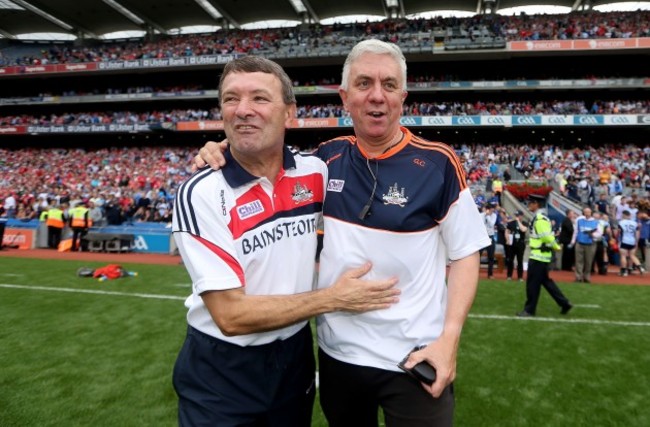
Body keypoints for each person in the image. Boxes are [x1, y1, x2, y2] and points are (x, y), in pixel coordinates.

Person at [196, 40, 491, 427]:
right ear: (344, 96)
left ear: (403, 97)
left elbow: (466, 253)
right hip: (339, 358)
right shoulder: (323, 162)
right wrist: (220, 148)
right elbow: (263, 155)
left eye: (388, 85)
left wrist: (449, 339)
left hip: (415, 357)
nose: (376, 96)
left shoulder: (438, 164)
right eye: (364, 83)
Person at [172, 56, 400, 427]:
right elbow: (230, 316)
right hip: (221, 368)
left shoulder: (317, 171)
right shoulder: (201, 192)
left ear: (290, 113)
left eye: (259, 98)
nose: (243, 110)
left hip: (294, 357)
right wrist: (332, 299)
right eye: (231, 99)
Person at [517, 194, 573, 317]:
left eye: (531, 202)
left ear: (536, 204)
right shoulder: (541, 218)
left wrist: (556, 247)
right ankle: (564, 303)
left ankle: (529, 310)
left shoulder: (539, 219)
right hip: (540, 256)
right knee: (546, 282)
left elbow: (547, 236)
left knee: (532, 284)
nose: (529, 205)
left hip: (538, 257)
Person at [570, 206, 601, 283]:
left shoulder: (596, 222)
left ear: (591, 213)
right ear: (583, 213)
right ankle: (578, 277)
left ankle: (587, 277)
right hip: (580, 242)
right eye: (586, 212)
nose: (587, 213)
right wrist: (573, 241)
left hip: (590, 243)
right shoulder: (579, 220)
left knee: (588, 261)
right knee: (578, 261)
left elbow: (599, 233)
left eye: (588, 212)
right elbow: (576, 231)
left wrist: (593, 235)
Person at [617, 210, 645, 277]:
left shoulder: (621, 222)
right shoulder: (635, 223)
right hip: (632, 241)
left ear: (624, 215)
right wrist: (636, 242)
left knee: (623, 256)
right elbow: (637, 233)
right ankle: (640, 267)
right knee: (632, 255)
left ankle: (624, 271)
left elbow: (618, 232)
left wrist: (617, 239)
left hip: (624, 240)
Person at [505, 210, 528, 281]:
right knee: (510, 260)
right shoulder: (511, 223)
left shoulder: (524, 223)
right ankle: (509, 276)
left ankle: (520, 277)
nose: (517, 217)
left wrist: (518, 222)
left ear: (521, 216)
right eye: (516, 215)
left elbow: (523, 229)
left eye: (518, 215)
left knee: (520, 260)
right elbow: (507, 232)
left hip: (520, 243)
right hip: (512, 243)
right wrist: (507, 239)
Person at [480, 203, 498, 278]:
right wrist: (485, 215)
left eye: (492, 210)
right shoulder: (481, 215)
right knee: (478, 255)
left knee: (491, 256)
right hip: (482, 237)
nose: (491, 211)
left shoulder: (494, 215)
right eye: (490, 210)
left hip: (490, 237)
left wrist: (488, 216)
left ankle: (490, 274)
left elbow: (491, 224)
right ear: (487, 209)